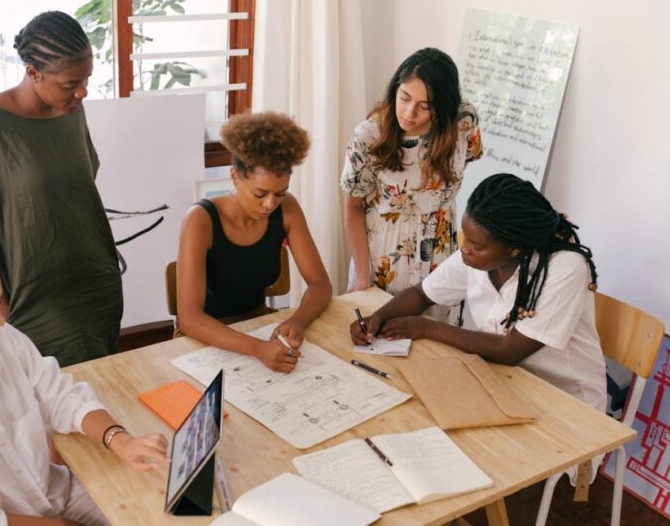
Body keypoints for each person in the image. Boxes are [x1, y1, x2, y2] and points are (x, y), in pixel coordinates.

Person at [350, 173, 606, 413]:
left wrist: (427, 328)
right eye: (466, 239)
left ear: (514, 249)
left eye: (477, 246)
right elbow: (422, 294)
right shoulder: (477, 258)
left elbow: (510, 350)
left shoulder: (565, 268)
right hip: (504, 382)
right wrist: (378, 318)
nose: (464, 249)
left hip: (567, 403)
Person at [0, 245, 169, 525]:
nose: (0, 321)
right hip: (9, 521)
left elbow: (60, 396)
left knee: (157, 506)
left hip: (58, 493)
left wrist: (120, 440)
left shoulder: (4, 340)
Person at [0, 11, 122, 366]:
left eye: (86, 79)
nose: (82, 92)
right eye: (70, 83)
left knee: (103, 390)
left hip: (97, 281)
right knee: (50, 401)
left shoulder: (70, 110)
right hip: (34, 296)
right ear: (33, 72)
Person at [177, 111, 332, 374]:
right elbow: (190, 319)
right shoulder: (200, 220)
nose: (270, 204)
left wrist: (298, 320)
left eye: (280, 194)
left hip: (258, 326)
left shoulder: (287, 209)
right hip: (205, 338)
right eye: (260, 194)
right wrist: (257, 349)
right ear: (235, 177)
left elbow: (320, 284)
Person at [341, 47, 483, 295]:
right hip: (384, 261)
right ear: (395, 88)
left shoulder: (464, 124)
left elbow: (462, 164)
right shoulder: (369, 136)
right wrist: (363, 275)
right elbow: (354, 207)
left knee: (437, 333)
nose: (409, 113)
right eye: (405, 97)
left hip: (441, 258)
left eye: (424, 106)